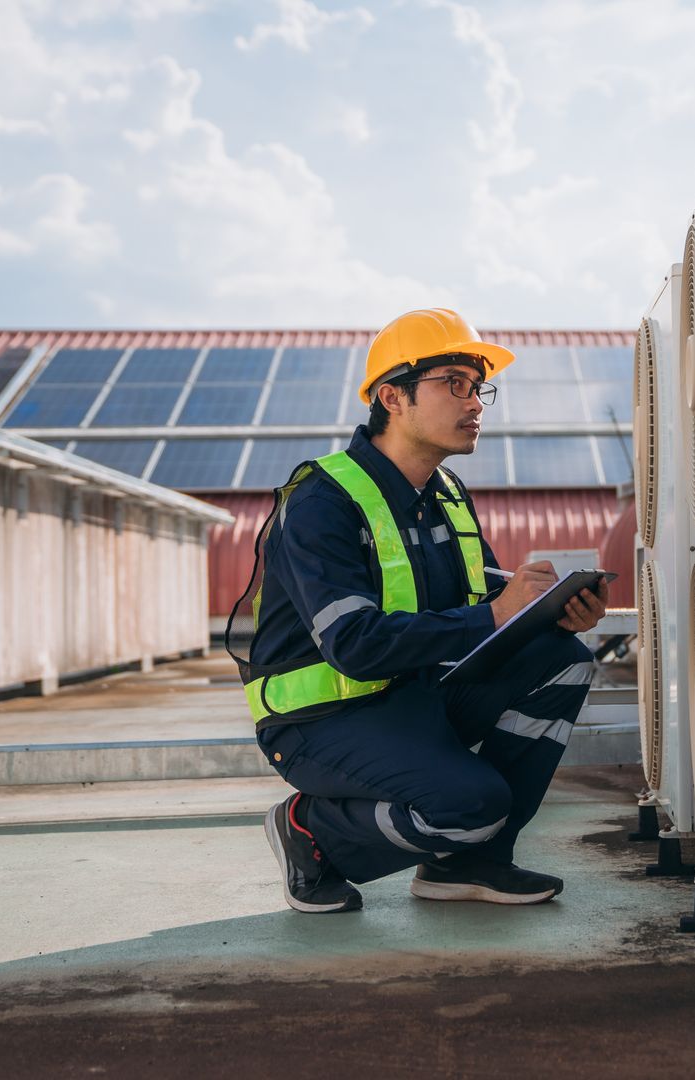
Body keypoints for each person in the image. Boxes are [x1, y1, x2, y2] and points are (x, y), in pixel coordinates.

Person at [228, 308, 608, 913]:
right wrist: (497, 615)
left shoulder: (447, 495)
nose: (476, 402)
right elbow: (354, 644)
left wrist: (548, 611)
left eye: (478, 386)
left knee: (561, 657)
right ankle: (311, 834)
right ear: (391, 397)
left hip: (411, 696)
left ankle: (469, 861)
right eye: (453, 383)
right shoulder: (322, 502)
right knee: (472, 804)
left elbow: (483, 603)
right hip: (322, 721)